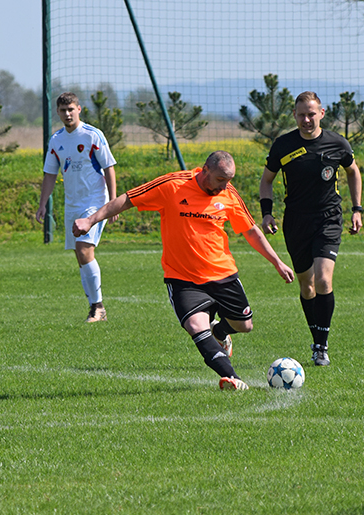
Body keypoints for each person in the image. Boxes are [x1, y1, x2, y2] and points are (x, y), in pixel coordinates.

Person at [74, 151, 295, 390]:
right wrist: (91, 220)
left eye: (229, 179)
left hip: (222, 274)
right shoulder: (172, 185)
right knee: (195, 327)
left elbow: (250, 230)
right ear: (205, 170)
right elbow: (128, 198)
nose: (225, 185)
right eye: (221, 179)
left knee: (245, 325)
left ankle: (219, 332)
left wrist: (277, 262)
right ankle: (233, 378)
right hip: (183, 279)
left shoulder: (229, 194)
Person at [259, 91, 363, 366]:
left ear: (322, 113)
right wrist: (267, 214)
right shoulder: (283, 145)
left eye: (311, 113)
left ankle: (321, 346)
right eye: (302, 114)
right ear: (294, 115)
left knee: (323, 280)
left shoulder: (336, 143)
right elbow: (266, 180)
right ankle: (315, 337)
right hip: (296, 221)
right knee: (307, 287)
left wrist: (357, 209)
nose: (307, 119)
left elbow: (353, 171)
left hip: (328, 218)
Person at [36, 92, 118, 323]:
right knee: (80, 256)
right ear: (58, 112)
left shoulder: (93, 135)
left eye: (71, 109)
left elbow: (109, 167)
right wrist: (43, 204)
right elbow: (50, 174)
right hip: (72, 204)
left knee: (84, 250)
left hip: (94, 202)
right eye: (63, 110)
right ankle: (95, 306)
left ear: (79, 109)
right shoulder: (56, 140)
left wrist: (112, 203)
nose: (67, 114)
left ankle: (98, 307)